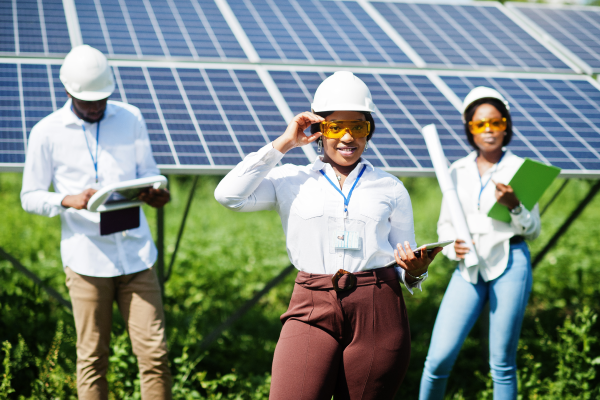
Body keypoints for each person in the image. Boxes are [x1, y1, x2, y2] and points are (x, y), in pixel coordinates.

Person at [215, 71, 442, 400]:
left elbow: (402, 259)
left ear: (369, 131)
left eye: (359, 127)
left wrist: (415, 272)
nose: (348, 137)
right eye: (336, 127)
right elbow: (229, 196)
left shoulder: (390, 187)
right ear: (319, 130)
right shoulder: (290, 179)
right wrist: (285, 143)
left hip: (379, 306)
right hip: (311, 302)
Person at [20, 45, 172, 400]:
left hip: (137, 255)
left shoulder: (130, 117)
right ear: (67, 91)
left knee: (155, 355)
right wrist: (65, 200)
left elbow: (148, 172)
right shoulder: (47, 131)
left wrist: (154, 191)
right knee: (92, 359)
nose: (95, 106)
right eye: (87, 100)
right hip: (87, 261)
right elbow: (29, 195)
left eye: (102, 99)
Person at [419, 87, 541, 400]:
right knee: (437, 360)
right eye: (479, 124)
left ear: (506, 125)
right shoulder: (457, 170)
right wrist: (449, 249)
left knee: (501, 363)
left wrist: (515, 204)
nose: (489, 131)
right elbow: (445, 224)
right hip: (468, 267)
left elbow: (533, 230)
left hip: (510, 262)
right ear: (469, 128)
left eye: (496, 123)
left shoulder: (522, 169)